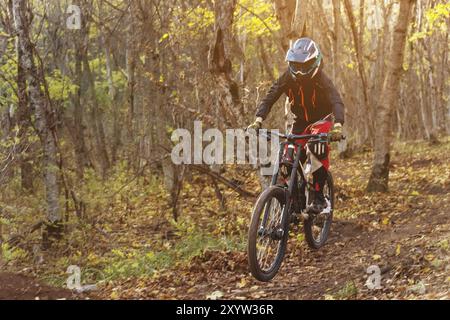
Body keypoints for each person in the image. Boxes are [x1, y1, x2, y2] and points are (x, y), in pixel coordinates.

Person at [247, 38, 345, 214]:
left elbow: (337, 101)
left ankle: (318, 196)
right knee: (287, 160)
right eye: (295, 65)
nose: (299, 71)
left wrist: (337, 125)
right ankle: (294, 199)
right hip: (300, 122)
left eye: (304, 66)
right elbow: (270, 96)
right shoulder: (287, 77)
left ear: (314, 62)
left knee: (317, 148)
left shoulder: (322, 79)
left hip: (321, 120)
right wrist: (258, 120)